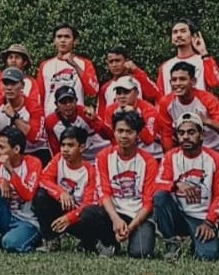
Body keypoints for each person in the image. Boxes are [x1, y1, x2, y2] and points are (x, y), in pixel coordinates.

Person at [76, 113, 157, 257]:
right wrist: (115, 219)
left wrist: (131, 228)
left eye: (129, 132)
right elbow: (103, 192)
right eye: (120, 131)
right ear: (114, 132)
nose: (124, 136)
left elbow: (148, 201)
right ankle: (109, 243)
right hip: (113, 212)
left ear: (137, 135)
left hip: (138, 215)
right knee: (87, 214)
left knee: (141, 253)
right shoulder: (103, 157)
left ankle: (131, 237)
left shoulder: (149, 161)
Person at [151, 113, 219, 261]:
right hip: (178, 214)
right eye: (181, 133)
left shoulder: (216, 160)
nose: (186, 137)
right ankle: (172, 242)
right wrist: (176, 185)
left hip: (201, 217)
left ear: (202, 135)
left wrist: (209, 223)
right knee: (160, 197)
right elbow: (157, 184)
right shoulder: (170, 157)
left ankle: (199, 240)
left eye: (191, 132)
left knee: (208, 256)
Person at [33, 126, 99, 244]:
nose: (65, 149)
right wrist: (61, 193)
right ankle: (51, 239)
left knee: (90, 213)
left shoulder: (90, 171)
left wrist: (70, 218)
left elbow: (89, 203)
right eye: (63, 145)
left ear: (82, 147)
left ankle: (88, 242)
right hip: (60, 208)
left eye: (70, 145)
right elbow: (43, 179)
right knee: (40, 196)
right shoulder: (58, 159)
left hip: (78, 215)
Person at [158, 62, 219, 161]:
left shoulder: (207, 99)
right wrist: (169, 159)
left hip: (217, 148)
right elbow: (166, 134)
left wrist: (207, 121)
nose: (177, 84)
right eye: (174, 80)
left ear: (193, 81)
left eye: (182, 79)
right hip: (188, 150)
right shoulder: (166, 102)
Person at [39, 25, 99, 117]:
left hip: (77, 119)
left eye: (67, 37)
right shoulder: (45, 65)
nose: (62, 40)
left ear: (75, 41)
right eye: (59, 37)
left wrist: (75, 65)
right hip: (51, 119)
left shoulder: (84, 63)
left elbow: (93, 91)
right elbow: (40, 97)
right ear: (54, 41)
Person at [158, 19, 219, 95]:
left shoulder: (204, 60)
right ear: (172, 39)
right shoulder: (165, 66)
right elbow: (160, 96)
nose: (178, 35)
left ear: (193, 36)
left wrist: (204, 52)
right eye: (175, 32)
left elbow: (215, 83)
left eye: (183, 31)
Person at [42, 88, 110, 160]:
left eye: (71, 101)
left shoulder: (85, 113)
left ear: (76, 101)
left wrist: (95, 120)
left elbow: (108, 135)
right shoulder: (51, 122)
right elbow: (55, 150)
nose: (68, 105)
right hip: (79, 160)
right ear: (56, 104)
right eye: (63, 102)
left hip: (102, 153)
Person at [100, 77, 161, 156]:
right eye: (119, 93)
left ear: (136, 93)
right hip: (124, 154)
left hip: (151, 153)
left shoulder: (149, 110)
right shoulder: (111, 110)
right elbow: (110, 137)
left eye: (126, 92)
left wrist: (135, 115)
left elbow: (148, 140)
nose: (122, 96)